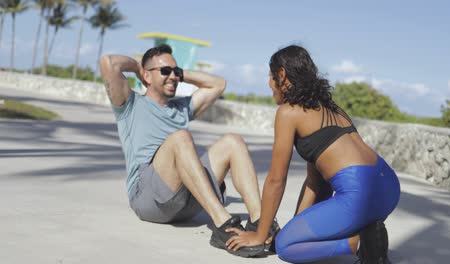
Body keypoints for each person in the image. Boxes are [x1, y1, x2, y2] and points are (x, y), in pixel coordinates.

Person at [225, 45, 401, 264]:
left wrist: (260, 235)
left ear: (281, 75)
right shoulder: (331, 107)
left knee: (285, 246)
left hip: (359, 194)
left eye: (270, 77)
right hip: (388, 189)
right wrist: (296, 228)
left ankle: (359, 244)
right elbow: (316, 183)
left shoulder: (288, 112)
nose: (270, 84)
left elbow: (276, 180)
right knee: (295, 236)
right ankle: (370, 233)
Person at [99, 44, 278, 258]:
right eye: (165, 71)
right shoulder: (130, 104)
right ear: (146, 76)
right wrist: (138, 66)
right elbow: (109, 63)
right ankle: (223, 225)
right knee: (180, 138)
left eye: (176, 72)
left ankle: (260, 222)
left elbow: (218, 84)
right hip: (149, 199)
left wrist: (178, 73)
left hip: (185, 200)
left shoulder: (181, 108)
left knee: (233, 141)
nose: (173, 77)